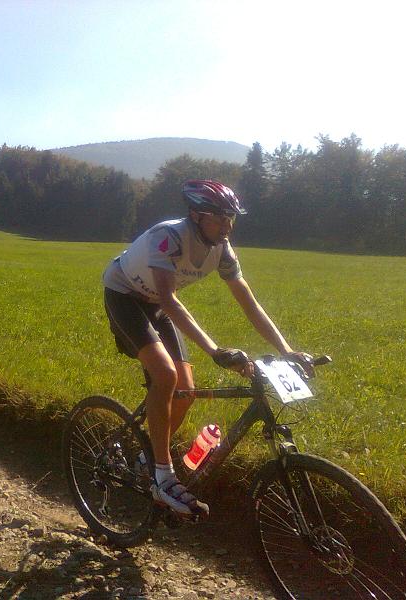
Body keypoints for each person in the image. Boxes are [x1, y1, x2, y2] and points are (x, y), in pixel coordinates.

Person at [102, 179, 312, 517]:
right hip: (124, 296)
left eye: (232, 218)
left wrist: (288, 351)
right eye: (220, 218)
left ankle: (146, 460)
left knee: (186, 390)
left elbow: (250, 304)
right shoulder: (168, 238)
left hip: (155, 304)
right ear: (197, 216)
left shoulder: (223, 249)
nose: (228, 226)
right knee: (166, 374)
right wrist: (215, 351)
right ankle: (162, 476)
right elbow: (170, 300)